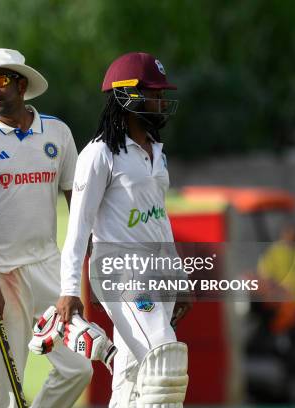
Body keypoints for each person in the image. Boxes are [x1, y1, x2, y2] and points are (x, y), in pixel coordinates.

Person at [0, 48, 92, 407]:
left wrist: (77, 271)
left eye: (0, 81)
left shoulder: (57, 133)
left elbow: (77, 203)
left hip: (47, 269)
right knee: (2, 395)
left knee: (78, 368)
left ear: (22, 85)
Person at [56, 52, 191, 407]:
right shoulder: (98, 155)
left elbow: (159, 219)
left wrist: (178, 275)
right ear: (128, 96)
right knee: (165, 364)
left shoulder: (156, 153)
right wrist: (69, 290)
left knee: (133, 380)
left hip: (157, 272)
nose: (162, 101)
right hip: (121, 271)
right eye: (155, 93)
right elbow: (78, 226)